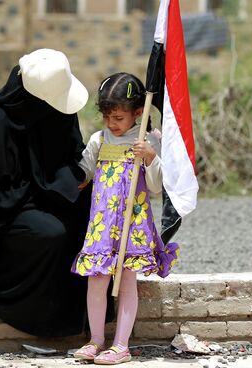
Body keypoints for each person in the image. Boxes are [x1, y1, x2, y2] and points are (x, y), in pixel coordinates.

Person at [0, 48, 98, 337]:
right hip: (0, 214)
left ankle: (86, 319)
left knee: (95, 216)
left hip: (43, 196)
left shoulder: (57, 109)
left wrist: (79, 179)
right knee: (51, 233)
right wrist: (56, 190)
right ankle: (42, 320)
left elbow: (72, 156)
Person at [71, 72, 179, 364]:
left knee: (128, 282)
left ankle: (121, 345)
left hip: (133, 225)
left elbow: (157, 186)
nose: (111, 124)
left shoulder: (149, 141)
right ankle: (95, 340)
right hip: (102, 225)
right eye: (107, 117)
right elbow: (84, 173)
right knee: (97, 280)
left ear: (138, 113)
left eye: (118, 117)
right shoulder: (98, 139)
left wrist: (150, 158)